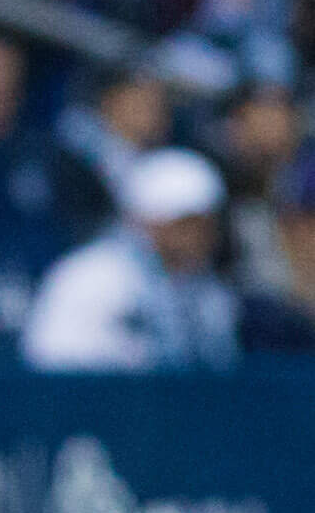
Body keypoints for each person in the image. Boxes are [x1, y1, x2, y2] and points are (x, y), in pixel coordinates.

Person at [21, 148, 239, 373]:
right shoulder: (92, 276)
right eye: (185, 224)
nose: (199, 237)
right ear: (145, 222)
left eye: (207, 225)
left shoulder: (209, 290)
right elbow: (51, 359)